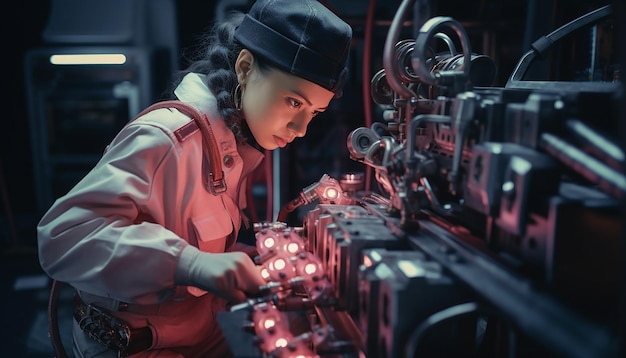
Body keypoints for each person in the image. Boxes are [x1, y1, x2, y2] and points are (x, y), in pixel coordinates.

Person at [36, 0, 352, 356]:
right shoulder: (167, 138)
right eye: (294, 103)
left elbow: (191, 234)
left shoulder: (233, 145)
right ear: (245, 68)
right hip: (137, 342)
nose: (301, 129)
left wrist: (240, 260)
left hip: (199, 330)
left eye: (314, 112)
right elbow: (60, 238)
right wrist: (192, 264)